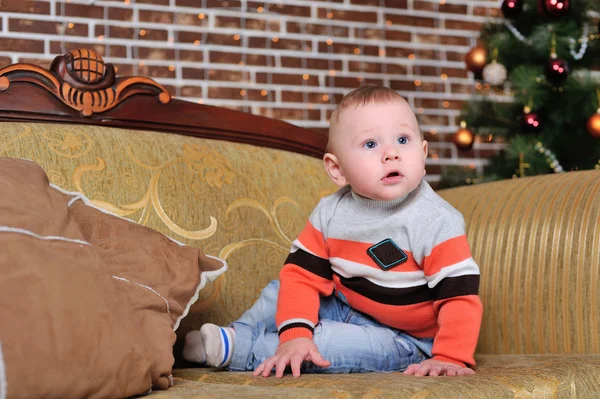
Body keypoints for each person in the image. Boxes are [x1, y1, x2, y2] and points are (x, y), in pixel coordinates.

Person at [183, 84, 483, 378]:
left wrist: (450, 357)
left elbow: (459, 298)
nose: (391, 153)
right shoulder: (330, 213)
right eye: (370, 144)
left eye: (403, 140)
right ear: (337, 170)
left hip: (406, 338)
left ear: (424, 152)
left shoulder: (436, 221)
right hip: (343, 304)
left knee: (325, 345)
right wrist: (296, 331)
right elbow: (302, 277)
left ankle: (238, 349)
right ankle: (234, 332)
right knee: (279, 291)